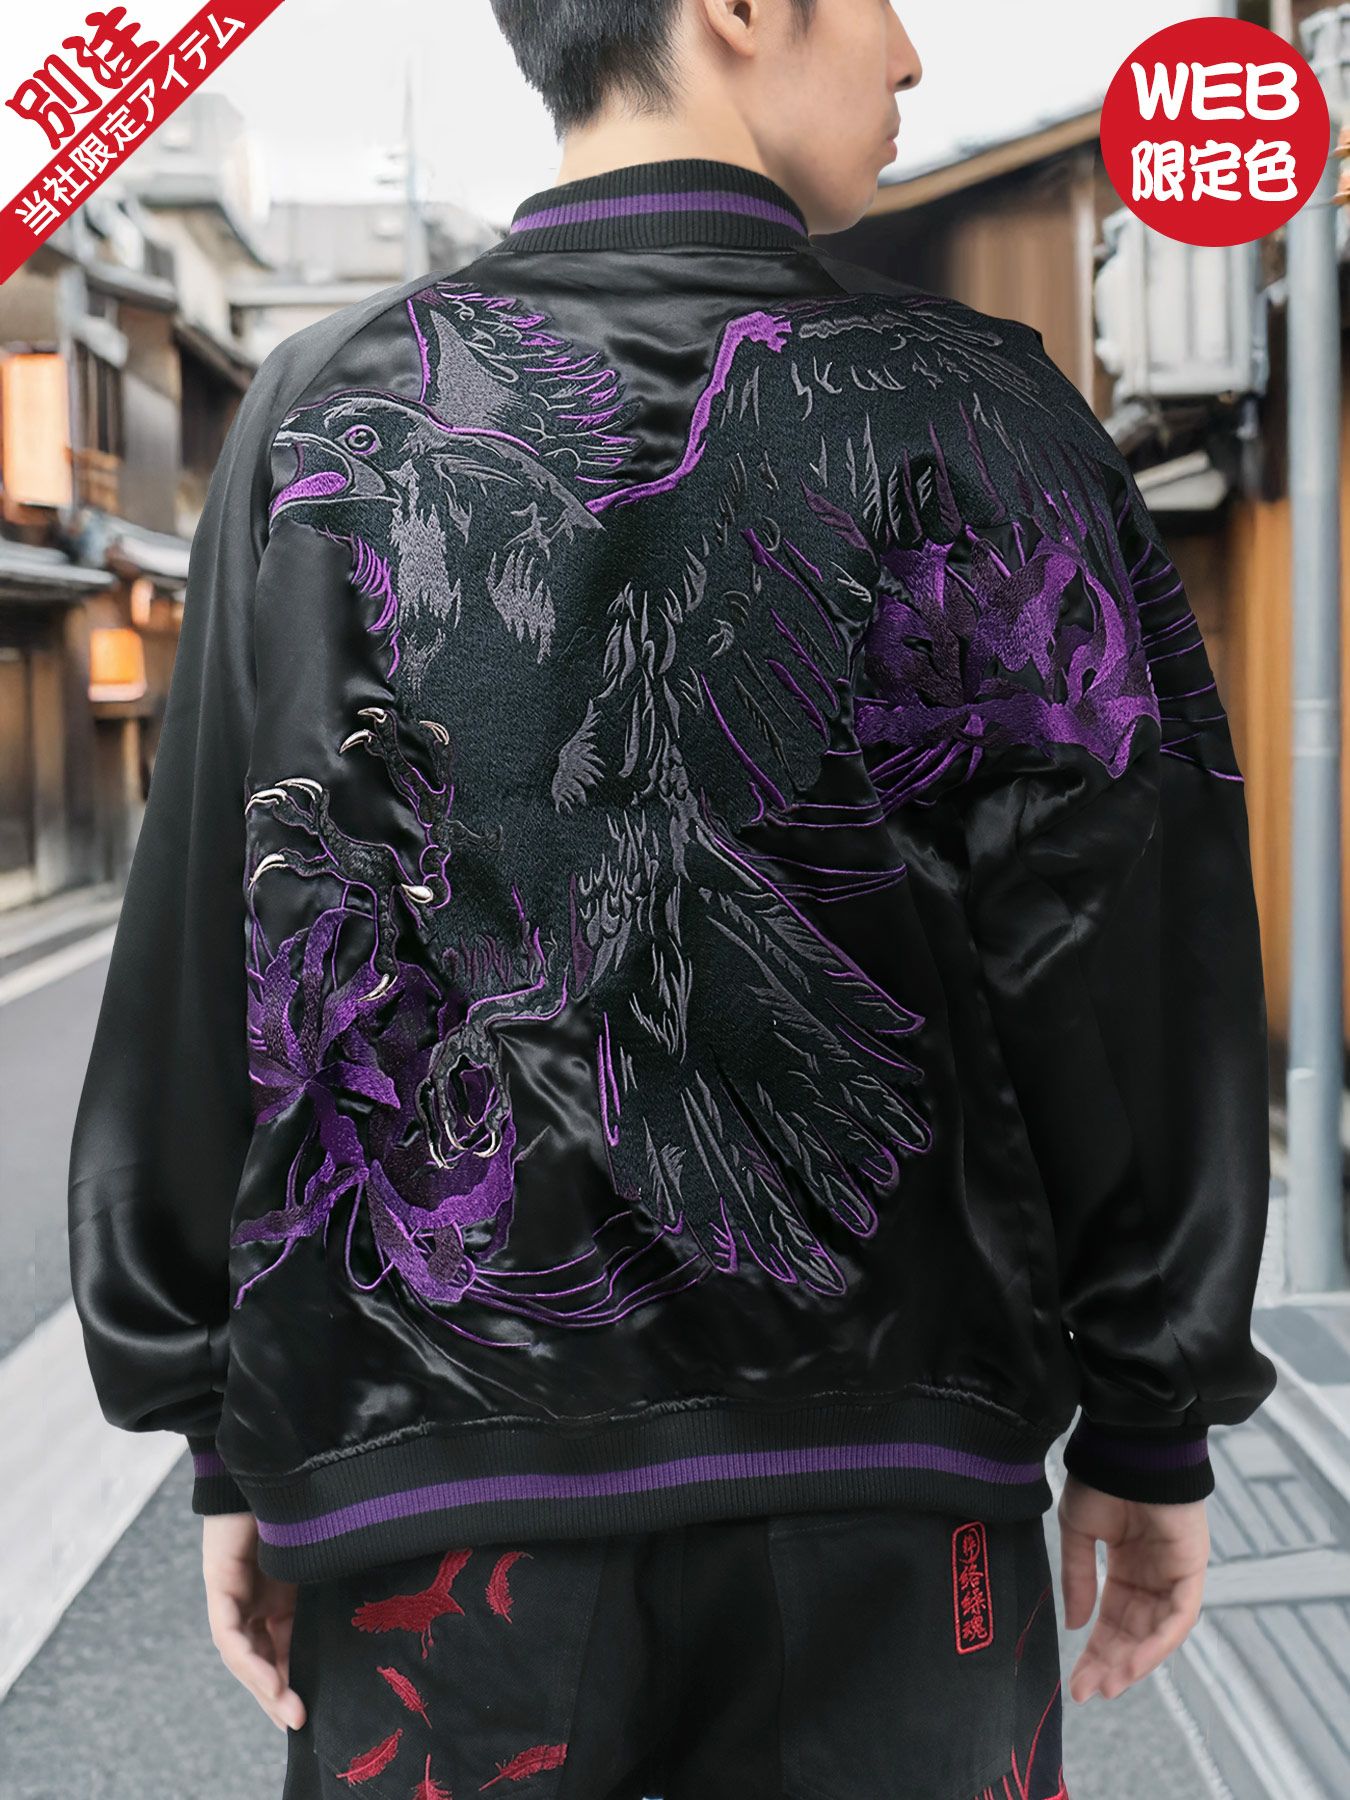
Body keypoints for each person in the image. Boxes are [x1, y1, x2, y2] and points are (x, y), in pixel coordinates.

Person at [65, 1, 1279, 1795]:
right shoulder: (973, 396)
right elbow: (1112, 930)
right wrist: (1153, 1406)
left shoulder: (313, 393)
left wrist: (230, 1430)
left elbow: (206, 940)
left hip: (430, 1499)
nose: (911, 58)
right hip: (884, 1491)